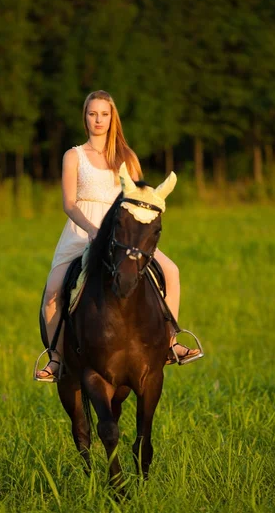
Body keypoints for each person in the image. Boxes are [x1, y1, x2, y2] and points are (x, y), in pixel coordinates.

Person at [36, 90, 199, 381]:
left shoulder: (127, 157)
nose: (98, 120)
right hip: (82, 231)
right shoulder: (73, 156)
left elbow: (139, 198)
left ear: (113, 119)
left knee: (171, 272)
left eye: (104, 114)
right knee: (52, 291)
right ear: (85, 118)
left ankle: (170, 343)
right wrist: (91, 230)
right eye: (92, 114)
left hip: (124, 234)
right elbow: (69, 204)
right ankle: (57, 359)